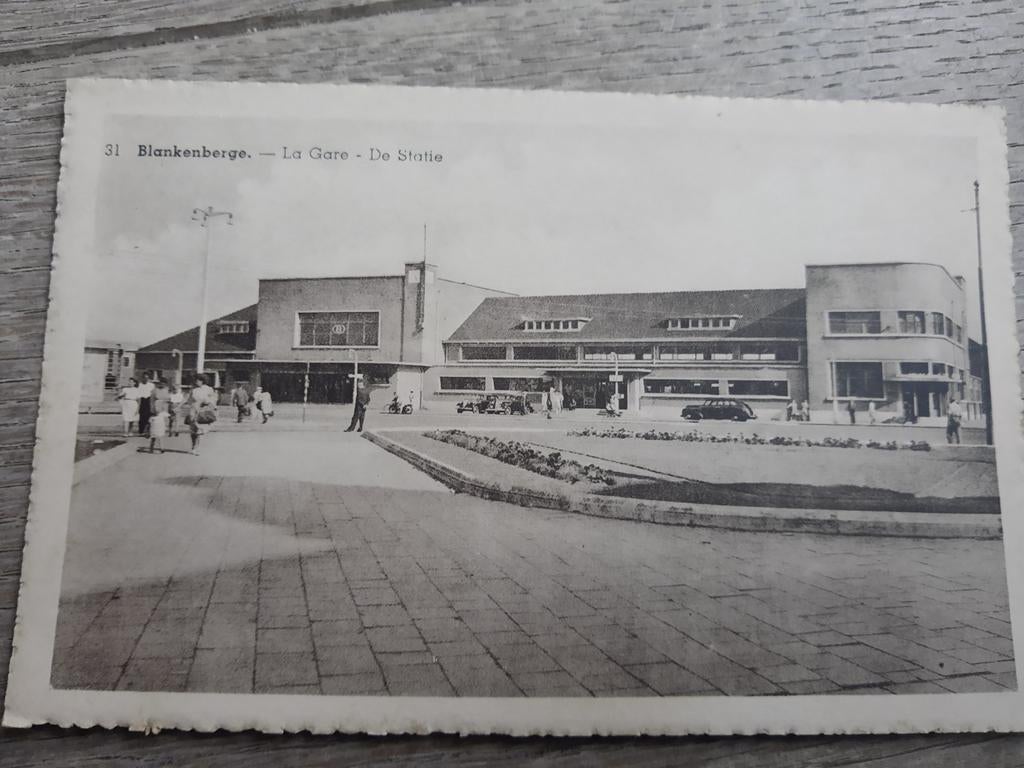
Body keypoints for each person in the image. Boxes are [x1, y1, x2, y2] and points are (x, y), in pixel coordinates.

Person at [187, 374, 218, 455]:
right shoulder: (194, 390)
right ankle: (193, 447)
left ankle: (197, 448)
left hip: (203, 411)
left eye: (197, 380)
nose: (196, 382)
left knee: (199, 430)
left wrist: (213, 406)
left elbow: (213, 399)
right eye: (195, 380)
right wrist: (179, 406)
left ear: (202, 380)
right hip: (193, 411)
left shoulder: (208, 389)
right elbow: (188, 399)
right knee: (193, 431)